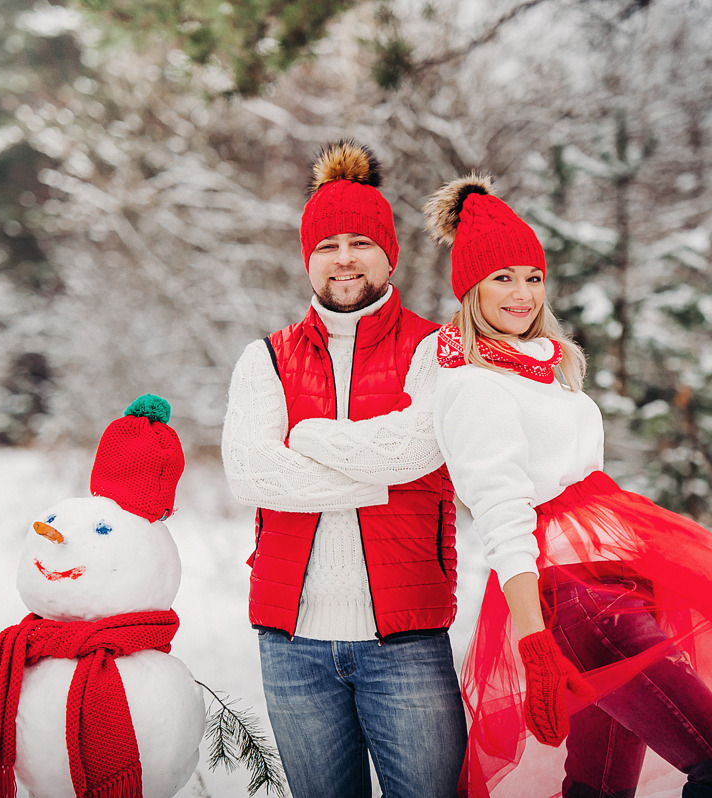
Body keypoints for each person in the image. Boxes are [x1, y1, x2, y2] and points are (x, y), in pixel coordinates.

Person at [423, 173, 712, 798]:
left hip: (611, 581)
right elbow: (503, 516)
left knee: (601, 786)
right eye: (503, 278)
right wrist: (533, 640)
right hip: (576, 598)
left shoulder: (541, 366)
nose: (523, 294)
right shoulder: (473, 383)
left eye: (533, 277)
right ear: (470, 287)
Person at [221, 140, 467, 798]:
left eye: (360, 241)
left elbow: (420, 448)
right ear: (309, 260)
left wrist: (309, 435)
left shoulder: (436, 348)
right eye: (328, 245)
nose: (344, 258)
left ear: (390, 253)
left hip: (406, 640)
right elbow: (252, 475)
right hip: (292, 644)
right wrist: (381, 474)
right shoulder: (264, 358)